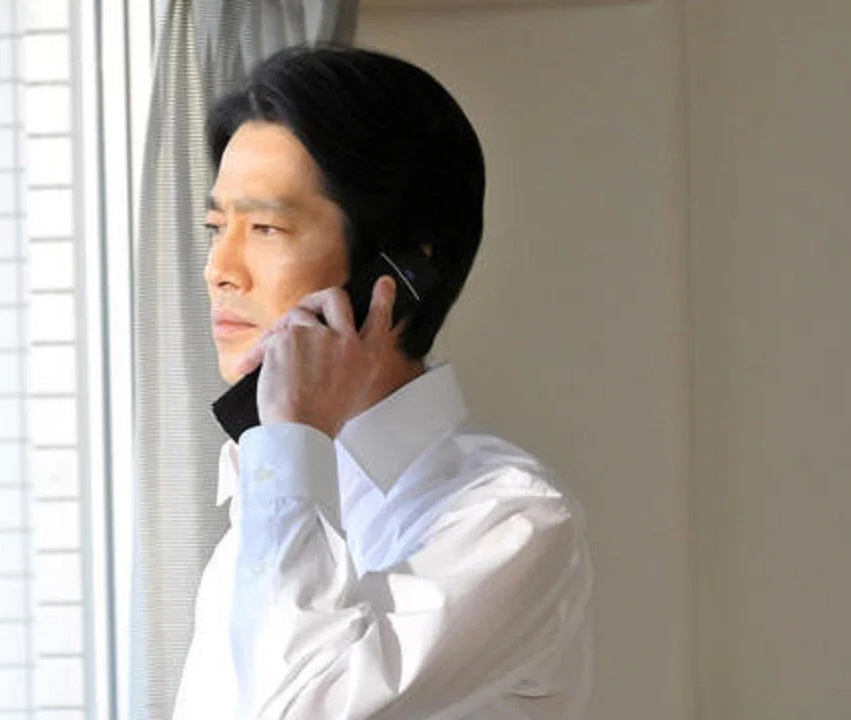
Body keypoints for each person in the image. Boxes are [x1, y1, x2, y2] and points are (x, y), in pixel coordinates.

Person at [172, 46, 592, 720]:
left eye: (267, 228)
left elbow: (302, 709)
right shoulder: (261, 508)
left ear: (400, 271)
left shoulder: (510, 519)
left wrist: (291, 439)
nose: (219, 268)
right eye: (216, 227)